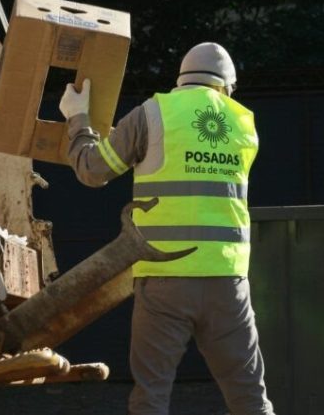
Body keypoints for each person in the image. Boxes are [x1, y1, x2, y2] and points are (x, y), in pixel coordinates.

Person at [58, 42, 275, 415]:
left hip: (164, 281)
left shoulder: (152, 114)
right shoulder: (244, 123)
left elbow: (93, 170)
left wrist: (78, 118)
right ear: (228, 86)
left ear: (181, 78)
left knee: (151, 398)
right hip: (227, 281)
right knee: (249, 398)